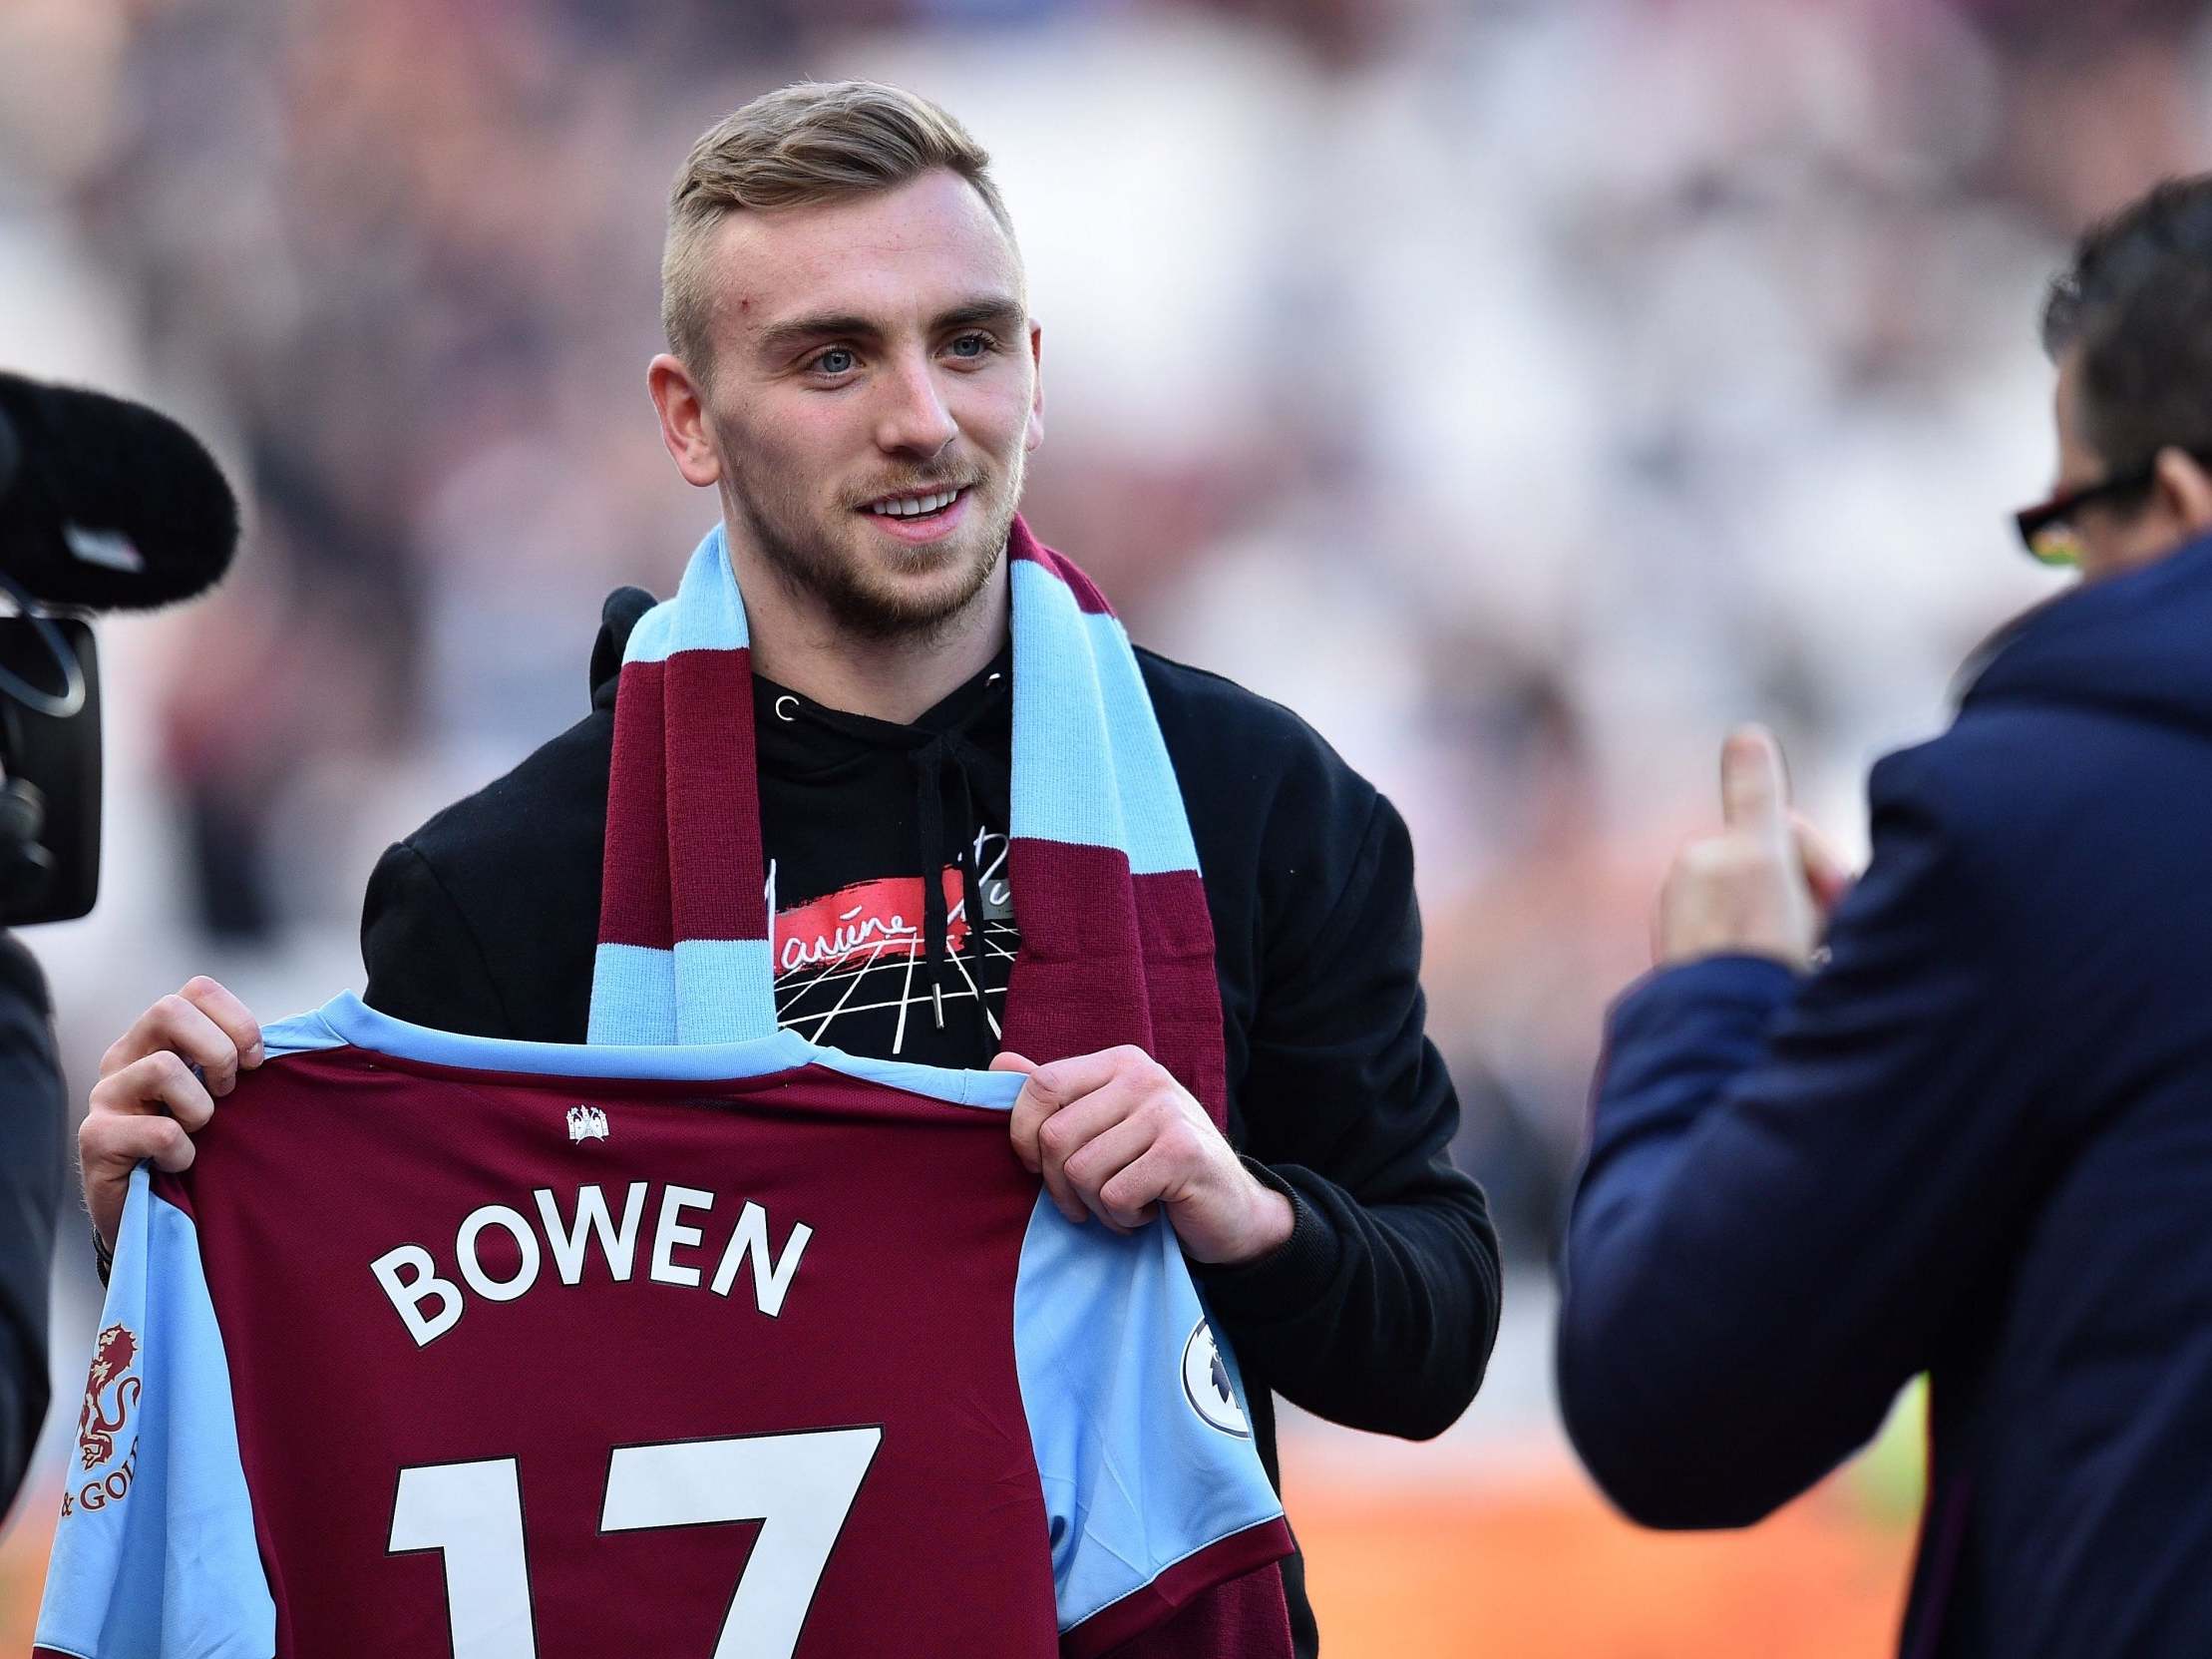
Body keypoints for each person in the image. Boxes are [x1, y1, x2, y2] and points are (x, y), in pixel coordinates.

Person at [79, 81, 1500, 1655]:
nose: (920, 416)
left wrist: (1244, 1215)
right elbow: (387, 1407)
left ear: (1033, 374)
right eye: (832, 357)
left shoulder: (1256, 801)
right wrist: (176, 1239)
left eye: (966, 342)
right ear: (687, 418)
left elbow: (1433, 1335)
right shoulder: (502, 885)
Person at [1557, 173, 2212, 1659]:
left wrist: (1719, 994)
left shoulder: (2049, 819)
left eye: (2066, 525)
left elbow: (1677, 1401)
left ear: (2174, 500)